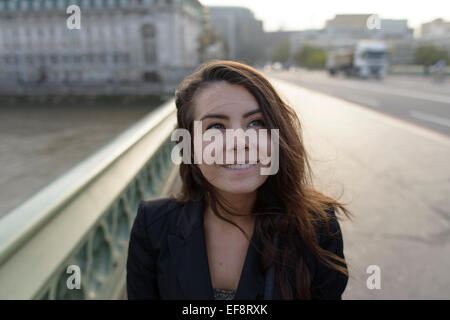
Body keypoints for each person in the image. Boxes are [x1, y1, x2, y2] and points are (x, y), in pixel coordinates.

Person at [126, 60, 352, 300]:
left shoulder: (317, 225)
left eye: (256, 123)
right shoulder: (153, 225)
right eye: (216, 126)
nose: (239, 141)